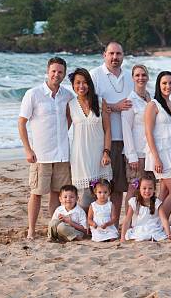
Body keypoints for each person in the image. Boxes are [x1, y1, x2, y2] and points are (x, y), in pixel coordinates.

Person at [19, 57, 74, 240]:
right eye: (53, 71)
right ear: (47, 71)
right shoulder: (33, 94)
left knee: (57, 194)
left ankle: (52, 230)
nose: (56, 75)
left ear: (64, 74)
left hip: (62, 154)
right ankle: (31, 230)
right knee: (36, 193)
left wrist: (61, 135)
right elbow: (21, 123)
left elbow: (69, 117)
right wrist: (28, 149)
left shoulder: (67, 95)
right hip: (40, 155)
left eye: (60, 72)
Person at [90, 42, 133, 227]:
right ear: (104, 55)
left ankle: (114, 223)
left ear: (123, 56)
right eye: (111, 54)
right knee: (104, 185)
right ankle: (97, 222)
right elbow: (89, 103)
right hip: (105, 139)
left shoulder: (129, 76)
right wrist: (115, 107)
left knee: (120, 186)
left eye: (118, 54)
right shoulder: (95, 75)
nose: (115, 57)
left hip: (128, 138)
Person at [67, 68, 112, 210]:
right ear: (73, 85)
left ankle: (94, 226)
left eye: (85, 82)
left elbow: (108, 130)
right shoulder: (70, 105)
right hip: (80, 155)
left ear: (90, 84)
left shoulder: (99, 102)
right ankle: (85, 225)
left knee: (100, 193)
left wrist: (106, 152)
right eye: (77, 83)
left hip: (99, 154)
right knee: (85, 196)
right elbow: (63, 130)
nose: (81, 86)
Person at [144, 71, 171, 219]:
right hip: (161, 154)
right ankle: (160, 221)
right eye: (164, 83)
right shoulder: (153, 105)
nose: (168, 86)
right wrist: (156, 158)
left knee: (165, 192)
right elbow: (148, 133)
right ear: (158, 85)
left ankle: (152, 219)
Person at [121, 64, 152, 205]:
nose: (141, 78)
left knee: (148, 189)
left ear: (148, 77)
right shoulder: (130, 101)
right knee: (133, 189)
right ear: (132, 78)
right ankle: (128, 224)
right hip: (136, 154)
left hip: (149, 153)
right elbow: (126, 129)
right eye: (137, 75)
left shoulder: (150, 98)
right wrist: (132, 155)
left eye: (143, 75)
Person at [120, 175, 171, 242]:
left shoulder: (157, 202)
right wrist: (122, 237)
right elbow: (127, 220)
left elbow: (164, 219)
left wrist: (169, 234)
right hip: (139, 228)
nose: (147, 191)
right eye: (144, 188)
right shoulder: (134, 202)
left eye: (150, 188)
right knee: (141, 235)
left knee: (159, 233)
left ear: (154, 189)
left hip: (154, 228)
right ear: (139, 189)